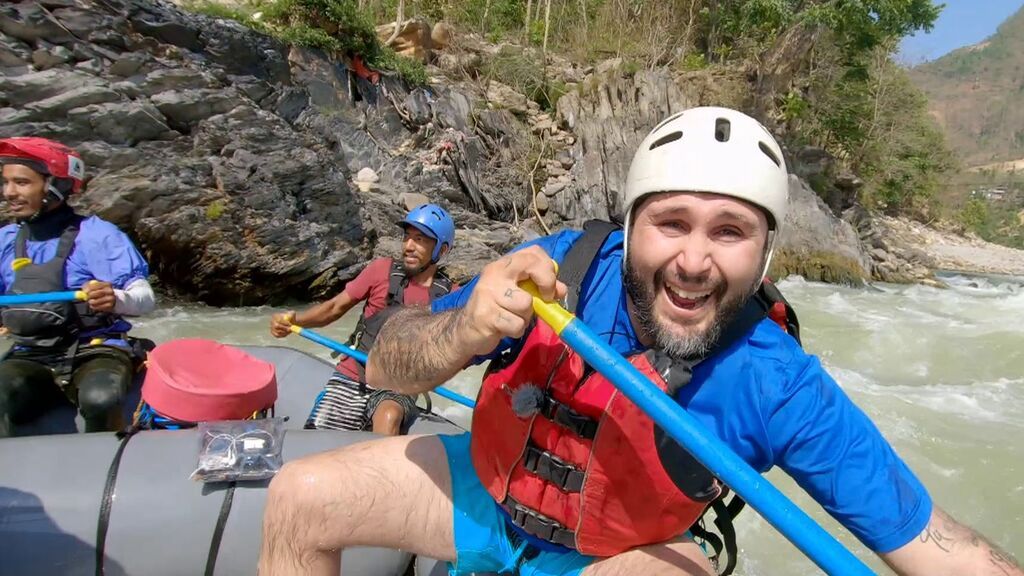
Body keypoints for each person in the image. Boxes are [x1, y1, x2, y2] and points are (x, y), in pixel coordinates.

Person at [258, 108, 1023, 576]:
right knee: (300, 497)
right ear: (630, 229)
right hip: (485, 493)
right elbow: (388, 360)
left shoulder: (777, 382)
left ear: (764, 255)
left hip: (623, 552)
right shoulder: (556, 267)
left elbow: (936, 545)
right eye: (672, 223)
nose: (694, 261)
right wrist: (461, 328)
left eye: (730, 232)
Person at [0, 137, 156, 437]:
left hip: (96, 349)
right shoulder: (6, 240)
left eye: (21, 183)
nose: (9, 193)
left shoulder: (97, 235)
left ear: (55, 185)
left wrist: (114, 299)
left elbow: (145, 298)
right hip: (30, 354)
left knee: (101, 399)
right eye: (6, 183)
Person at [269, 203, 458, 436]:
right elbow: (334, 308)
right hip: (354, 373)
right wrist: (295, 320)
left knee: (388, 415)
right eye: (407, 237)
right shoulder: (380, 271)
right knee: (318, 436)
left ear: (442, 249)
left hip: (399, 385)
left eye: (420, 240)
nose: (408, 246)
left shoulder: (450, 296)